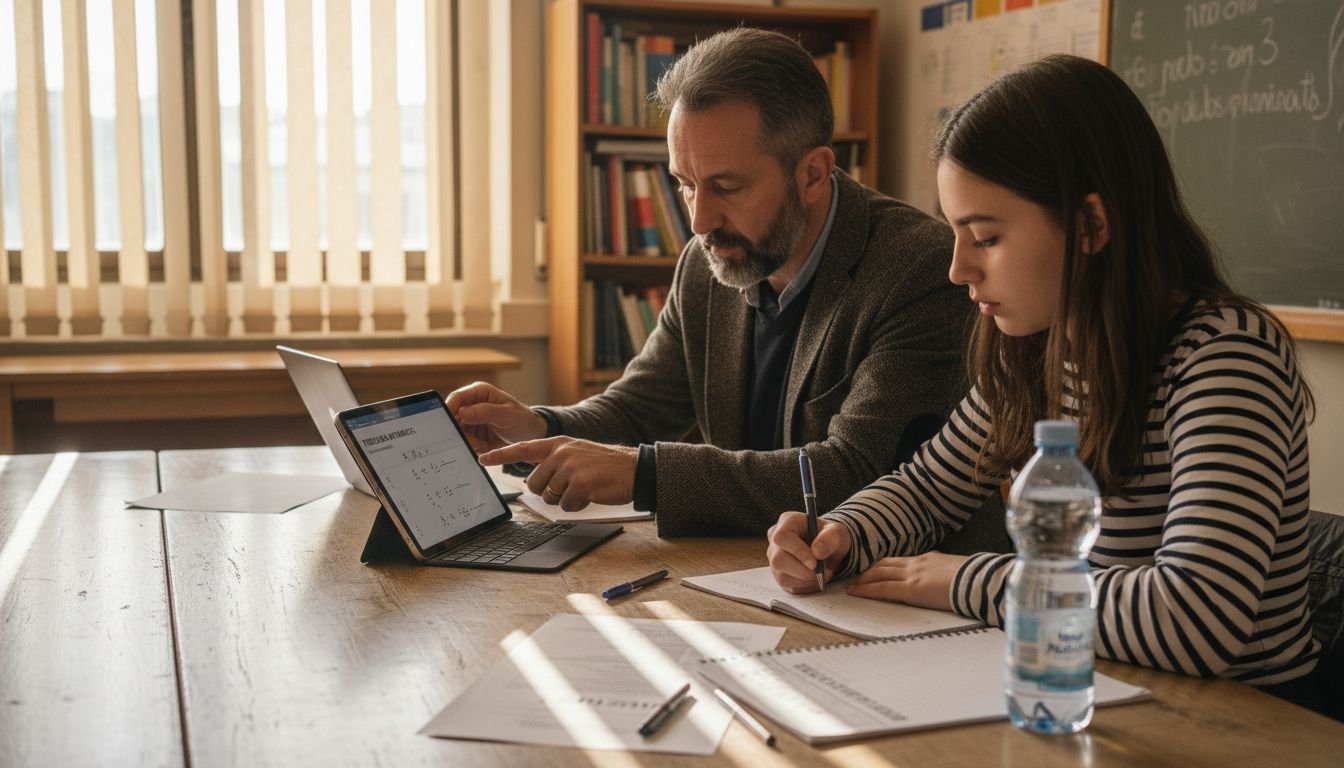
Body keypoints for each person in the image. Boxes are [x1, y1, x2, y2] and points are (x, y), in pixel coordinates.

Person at [767, 54, 1321, 697]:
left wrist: (962, 580)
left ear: (1090, 225)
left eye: (985, 237)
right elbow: (929, 487)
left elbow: (1196, 617)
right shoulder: (1040, 347)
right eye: (955, 234)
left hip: (1244, 718)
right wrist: (843, 533)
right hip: (1096, 685)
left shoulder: (1225, 357)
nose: (958, 269)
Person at [448, 28, 971, 537]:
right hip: (747, 571)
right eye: (685, 185)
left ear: (812, 174)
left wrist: (645, 473)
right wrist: (539, 427)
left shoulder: (922, 269)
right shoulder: (710, 259)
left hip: (896, 581)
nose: (699, 221)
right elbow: (640, 408)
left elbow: (857, 475)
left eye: (726, 186)